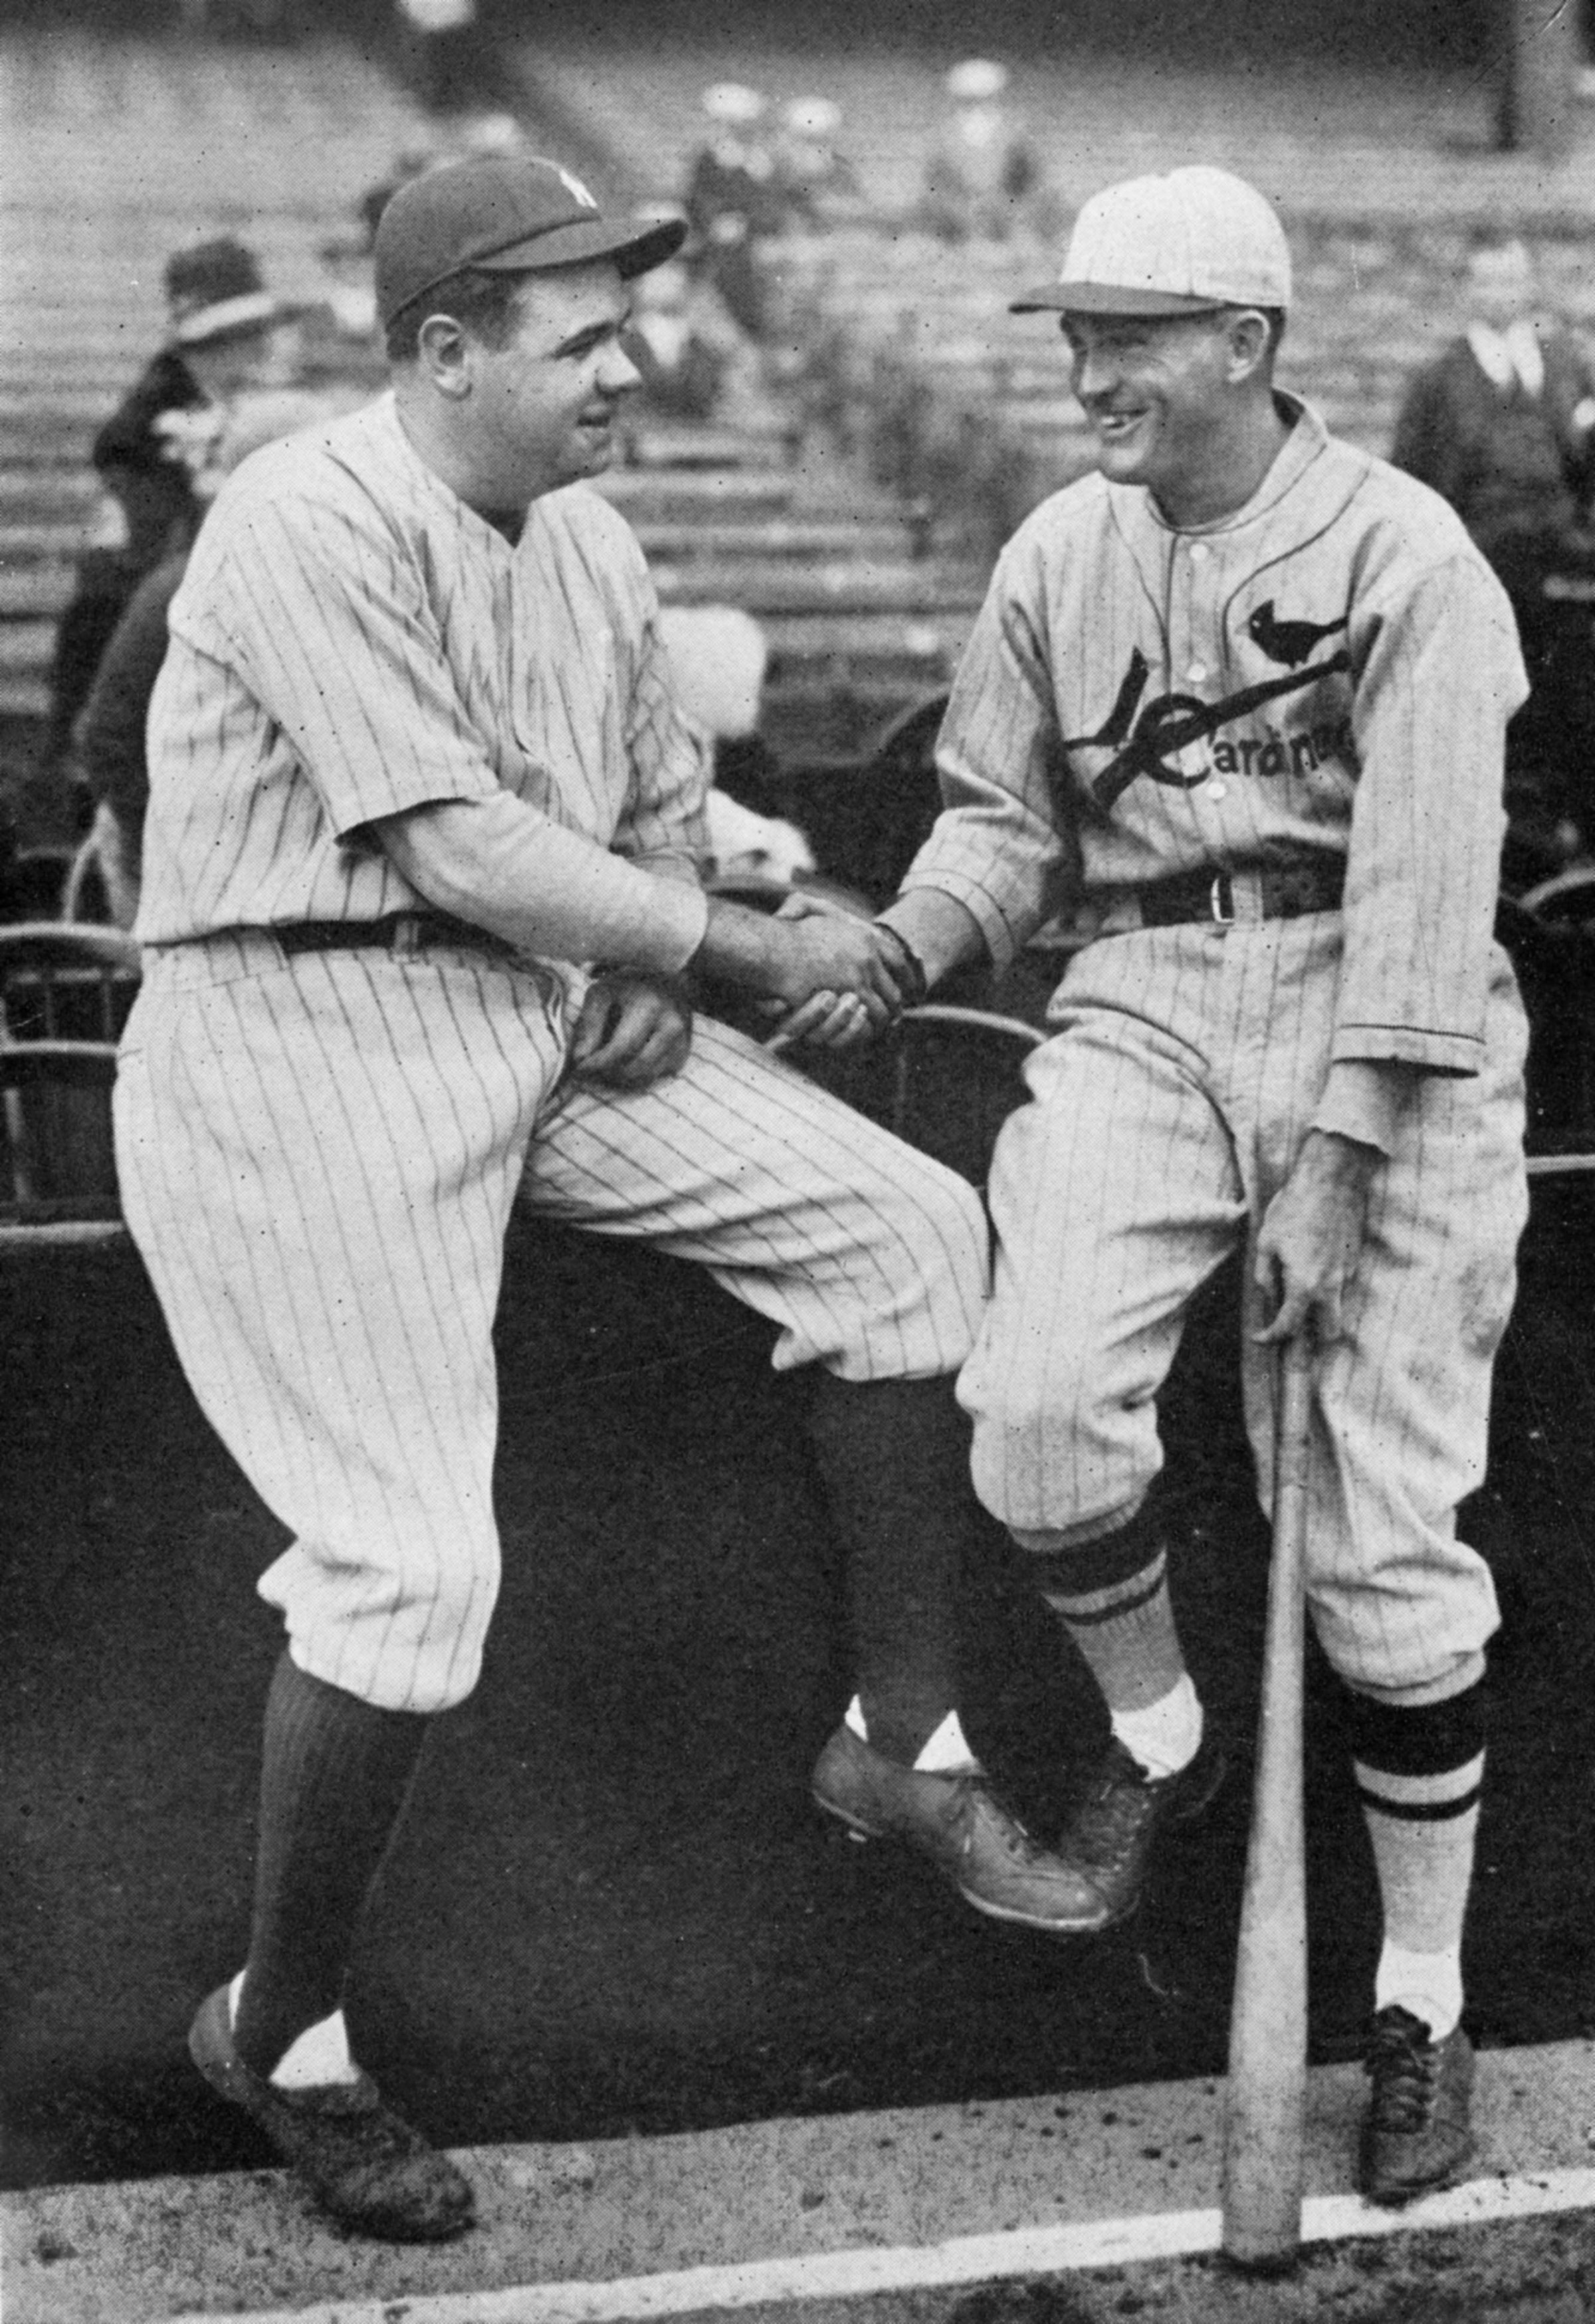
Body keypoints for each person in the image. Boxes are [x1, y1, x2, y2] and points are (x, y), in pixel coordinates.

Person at [112, 152, 1105, 2246]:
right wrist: (718, 953)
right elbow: (457, 841)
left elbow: (649, 814)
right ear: (444, 351)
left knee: (912, 1231)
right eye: (582, 338)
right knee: (406, 1570)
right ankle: (276, 2027)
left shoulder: (591, 542)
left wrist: (665, 947)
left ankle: (898, 1737)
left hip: (537, 1025)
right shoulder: (299, 511)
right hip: (294, 1041)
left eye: (629, 327)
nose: (630, 369)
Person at [797, 165, 1530, 2206]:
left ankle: (1416, 1993)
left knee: (1382, 1566)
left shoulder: (1407, 553)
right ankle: (1168, 1742)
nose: (1084, 369)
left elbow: (1427, 885)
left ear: (1245, 344)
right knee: (1032, 1417)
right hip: (1138, 987)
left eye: (1124, 333)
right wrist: (896, 951)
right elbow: (994, 825)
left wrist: (1344, 1152)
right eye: (1069, 333)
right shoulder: (1058, 548)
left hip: (1390, 1008)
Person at [45, 237, 300, 781]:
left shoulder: (221, 401)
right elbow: (146, 555)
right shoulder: (156, 423)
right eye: (245, 337)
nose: (260, 350)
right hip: (139, 615)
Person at [1392, 231, 1595, 848]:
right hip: (1479, 562)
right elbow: (1410, 483)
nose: (1502, 293)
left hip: (1565, 567)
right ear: (1467, 289)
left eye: (1512, 279)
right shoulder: (1437, 380)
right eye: (1488, 280)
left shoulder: (1566, 366)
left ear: (1529, 285)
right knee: (1488, 706)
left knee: (1572, 702)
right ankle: (1500, 840)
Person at [681, 82, 788, 337]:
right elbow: (697, 200)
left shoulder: (762, 163)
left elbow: (772, 206)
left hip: (757, 240)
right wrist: (714, 221)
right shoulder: (709, 160)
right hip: (720, 241)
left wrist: (750, 221)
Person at [918, 59, 1046, 245]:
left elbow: (1030, 182)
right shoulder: (944, 137)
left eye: (984, 97)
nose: (977, 106)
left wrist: (1009, 209)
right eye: (970, 99)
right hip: (956, 224)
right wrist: (959, 211)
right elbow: (935, 184)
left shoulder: (1015, 134)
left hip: (1007, 217)